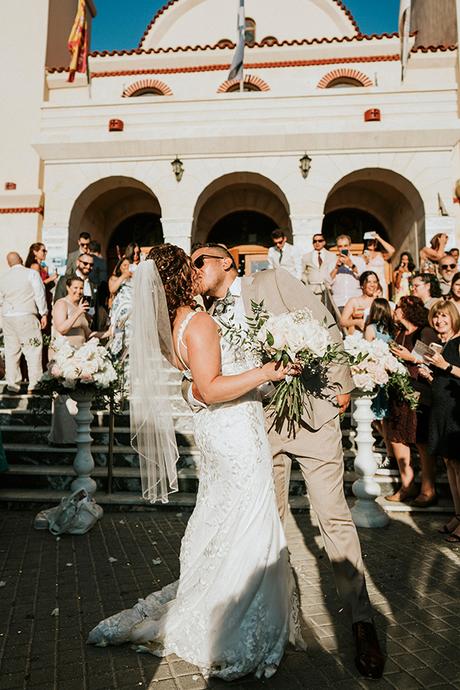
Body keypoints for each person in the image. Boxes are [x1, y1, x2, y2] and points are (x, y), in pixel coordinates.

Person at [88, 244, 304, 680]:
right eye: (191, 266)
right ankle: (235, 625)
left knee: (225, 517)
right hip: (234, 435)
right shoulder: (200, 321)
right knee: (249, 519)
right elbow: (210, 387)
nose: (197, 271)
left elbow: (192, 386)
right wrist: (268, 372)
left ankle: (226, 602)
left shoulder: (173, 326)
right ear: (179, 278)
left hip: (219, 433)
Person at [188, 243, 384, 679]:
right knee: (269, 525)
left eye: (200, 261)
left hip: (314, 412)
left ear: (225, 262)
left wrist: (342, 385)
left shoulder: (272, 279)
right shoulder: (208, 318)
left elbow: (323, 324)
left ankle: (361, 621)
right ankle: (280, 621)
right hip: (260, 426)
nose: (194, 269)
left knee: (332, 518)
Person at [385, 296, 439, 507]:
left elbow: (431, 360)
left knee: (421, 441)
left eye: (398, 307)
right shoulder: (399, 333)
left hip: (420, 392)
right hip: (399, 391)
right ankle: (407, 485)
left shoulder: (424, 332)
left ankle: (428, 489)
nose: (395, 310)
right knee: (397, 437)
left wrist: (411, 358)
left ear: (408, 310)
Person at [423, 301, 460, 542]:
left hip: (457, 411)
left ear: (453, 318)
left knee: (459, 466)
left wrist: (444, 365)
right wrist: (430, 375)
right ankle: (458, 515)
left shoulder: (458, 342)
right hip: (441, 410)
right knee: (449, 465)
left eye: (444, 317)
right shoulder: (440, 344)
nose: (439, 321)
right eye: (436, 317)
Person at [48, 277, 91, 445]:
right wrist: (79, 312)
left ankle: (75, 436)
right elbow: (62, 328)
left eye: (81, 288)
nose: (78, 291)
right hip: (63, 354)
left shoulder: (80, 307)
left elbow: (87, 333)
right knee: (63, 398)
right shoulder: (61, 304)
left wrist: (109, 332)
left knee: (75, 397)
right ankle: (62, 438)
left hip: (79, 356)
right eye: (75, 287)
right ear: (67, 287)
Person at [0, 252, 47, 393]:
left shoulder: (3, 277)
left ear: (9, 263)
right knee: (33, 349)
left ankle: (12, 385)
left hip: (8, 317)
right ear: (20, 260)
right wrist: (43, 313)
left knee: (11, 351)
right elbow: (39, 293)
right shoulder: (31, 273)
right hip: (26, 315)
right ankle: (35, 384)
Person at [364, 298, 395, 469]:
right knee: (381, 417)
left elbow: (367, 352)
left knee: (379, 417)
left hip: (379, 376)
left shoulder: (371, 329)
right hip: (389, 375)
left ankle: (390, 452)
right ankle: (389, 445)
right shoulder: (392, 330)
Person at [54, 254, 99, 326]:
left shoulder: (93, 284)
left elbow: (94, 307)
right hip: (69, 326)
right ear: (78, 262)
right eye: (85, 263)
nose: (88, 267)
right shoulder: (65, 280)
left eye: (91, 265)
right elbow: (57, 302)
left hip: (87, 328)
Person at [329, 234, 366, 311]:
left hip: (356, 302)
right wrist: (336, 268)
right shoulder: (332, 262)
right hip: (338, 302)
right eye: (340, 246)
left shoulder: (359, 261)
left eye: (345, 246)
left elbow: (364, 278)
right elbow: (328, 282)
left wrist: (351, 265)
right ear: (337, 248)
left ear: (349, 246)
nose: (343, 248)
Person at [107, 257, 134, 357]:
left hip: (131, 313)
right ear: (120, 267)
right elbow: (112, 289)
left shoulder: (133, 279)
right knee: (117, 333)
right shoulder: (114, 278)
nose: (127, 268)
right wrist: (123, 276)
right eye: (124, 265)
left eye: (129, 265)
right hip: (119, 312)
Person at [361, 232, 395, 299]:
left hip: (381, 283)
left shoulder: (381, 254)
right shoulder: (362, 256)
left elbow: (392, 251)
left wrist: (379, 238)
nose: (371, 243)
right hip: (369, 283)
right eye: (369, 241)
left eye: (373, 241)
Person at [300, 233, 336, 297]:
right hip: (312, 290)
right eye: (315, 241)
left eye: (320, 241)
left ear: (324, 242)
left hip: (327, 288)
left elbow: (334, 271)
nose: (317, 243)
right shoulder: (306, 256)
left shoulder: (332, 256)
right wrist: (307, 282)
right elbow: (302, 272)